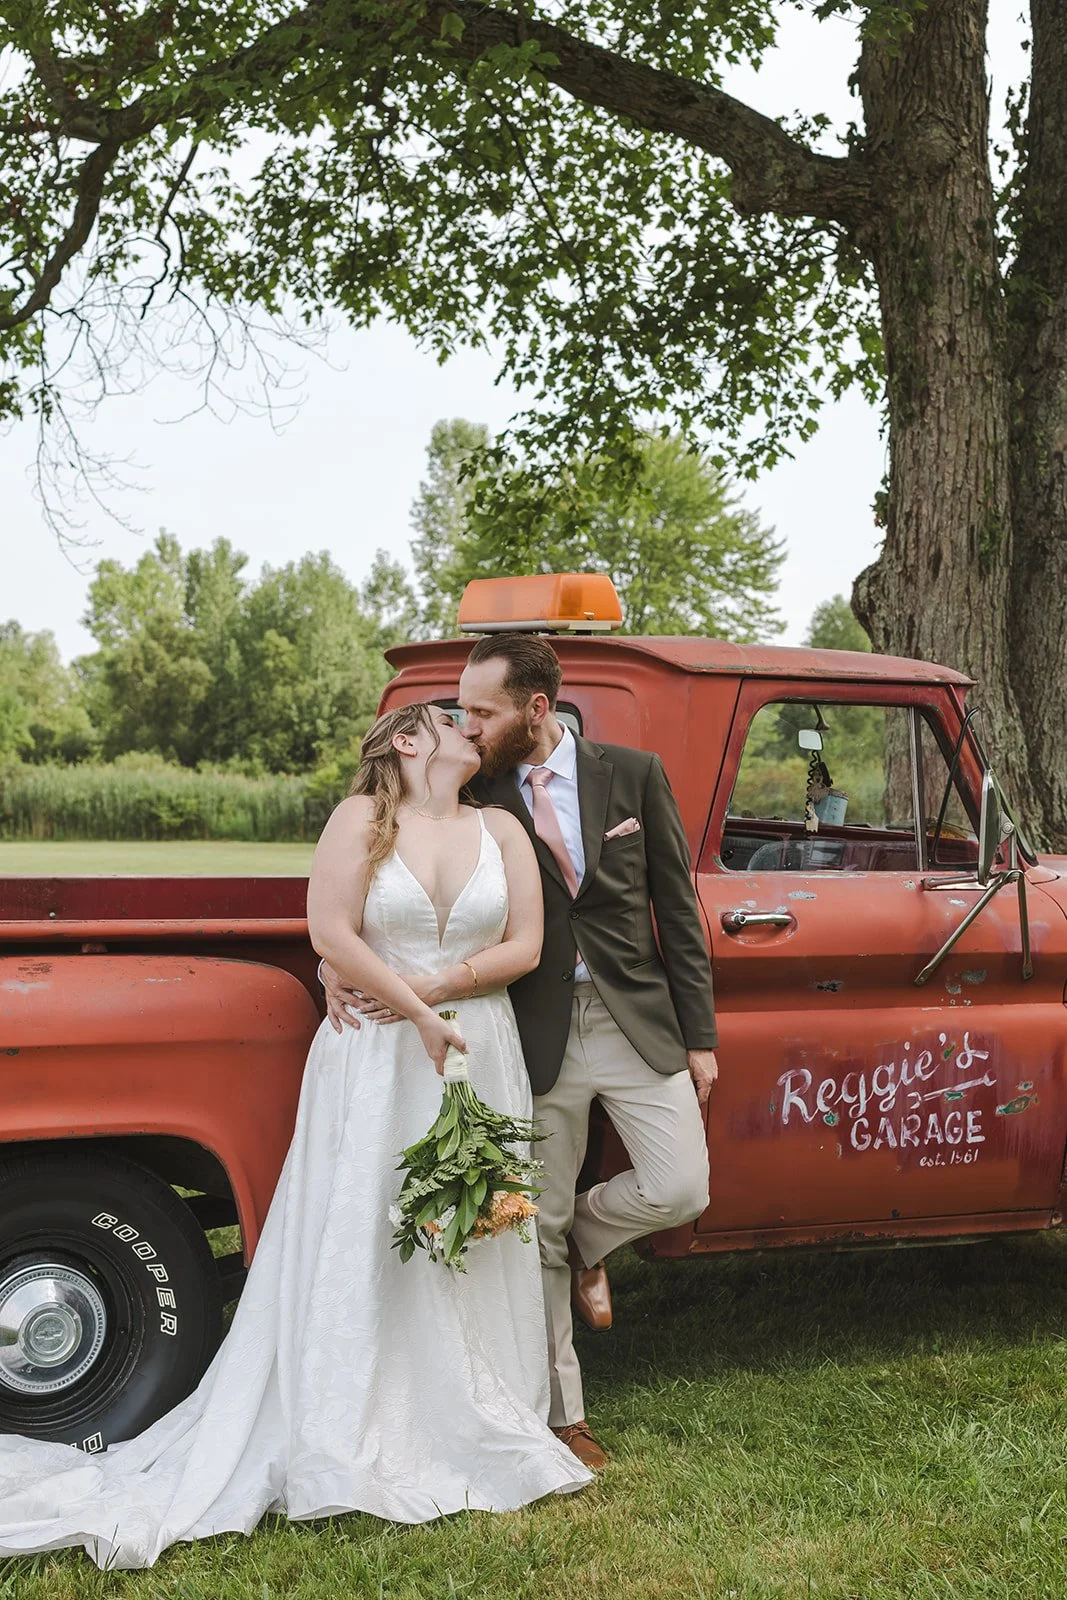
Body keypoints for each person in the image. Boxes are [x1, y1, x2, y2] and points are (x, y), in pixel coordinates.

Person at [0, 702, 590, 1570]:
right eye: (451, 720)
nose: (472, 729)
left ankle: (474, 1407)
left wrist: (431, 995)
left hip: (474, 1045)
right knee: (368, 1220)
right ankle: (350, 1417)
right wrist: (417, 1013)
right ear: (405, 741)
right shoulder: (360, 818)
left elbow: (528, 944)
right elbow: (331, 934)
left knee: (469, 1220)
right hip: (376, 1056)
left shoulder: (500, 828)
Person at [324, 634, 718, 1472]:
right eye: (460, 712)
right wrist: (334, 962)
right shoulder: (474, 787)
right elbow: (370, 882)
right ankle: (562, 1414)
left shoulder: (634, 774)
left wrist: (700, 1036)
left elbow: (676, 912)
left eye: (482, 709)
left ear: (536, 708)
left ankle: (588, 1239)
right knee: (525, 1226)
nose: (469, 723)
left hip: (631, 1020)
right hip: (524, 1029)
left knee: (680, 1184)